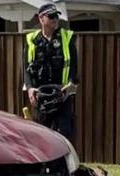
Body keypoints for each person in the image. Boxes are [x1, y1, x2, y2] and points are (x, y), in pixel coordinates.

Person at [23, 3, 78, 140]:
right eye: (51, 16)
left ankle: (64, 162)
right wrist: (30, 88)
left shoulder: (67, 37)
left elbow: (74, 65)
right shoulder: (31, 40)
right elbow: (26, 68)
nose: (55, 19)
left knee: (64, 133)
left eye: (56, 16)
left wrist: (71, 82)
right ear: (41, 19)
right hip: (41, 96)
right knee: (42, 135)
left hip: (61, 94)